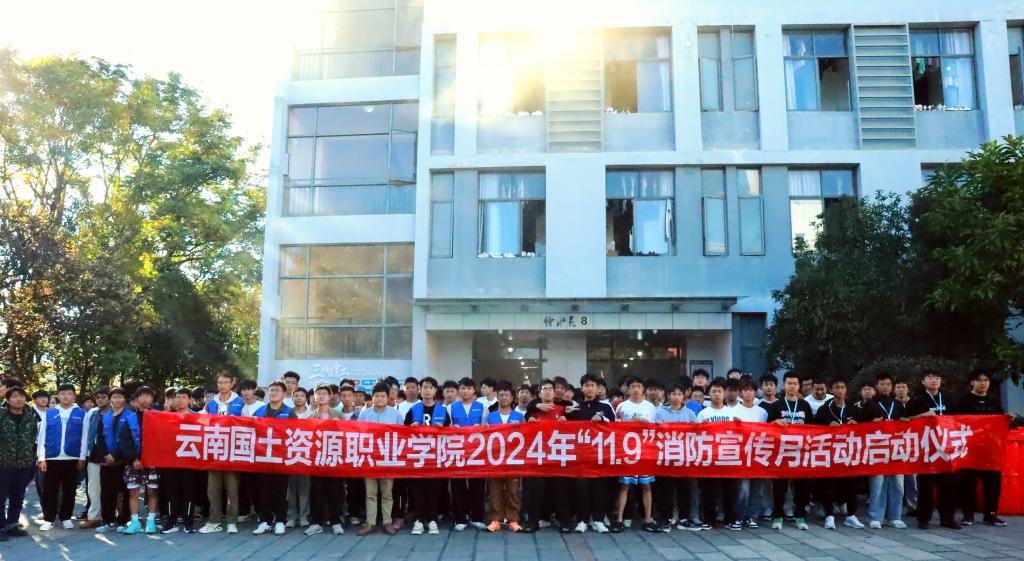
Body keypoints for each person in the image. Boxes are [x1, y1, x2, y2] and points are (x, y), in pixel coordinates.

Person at [906, 370, 958, 529]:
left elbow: (959, 420)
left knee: (948, 486)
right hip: (926, 449)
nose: (934, 380)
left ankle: (947, 518)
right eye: (930, 378)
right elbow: (905, 421)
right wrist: (922, 416)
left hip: (946, 449)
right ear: (923, 381)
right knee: (926, 487)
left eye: (937, 378)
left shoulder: (948, 400)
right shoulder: (917, 400)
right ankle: (923, 518)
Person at [812, 377, 864, 530]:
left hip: (849, 453)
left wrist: (857, 426)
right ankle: (829, 516)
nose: (840, 390)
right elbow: (814, 430)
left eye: (842, 387)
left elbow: (864, 431)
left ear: (846, 390)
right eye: (837, 387)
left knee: (852, 485)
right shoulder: (824, 409)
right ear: (831, 390)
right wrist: (827, 426)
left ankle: (851, 515)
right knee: (829, 485)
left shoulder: (854, 409)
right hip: (830, 453)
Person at [764, 372, 813, 531]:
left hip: (800, 452)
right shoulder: (776, 406)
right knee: (779, 487)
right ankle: (778, 516)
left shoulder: (805, 405)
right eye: (789, 383)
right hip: (782, 452)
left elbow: (813, 429)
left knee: (802, 487)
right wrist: (775, 422)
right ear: (784, 385)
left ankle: (800, 516)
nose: (792, 386)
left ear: (799, 386)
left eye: (795, 383)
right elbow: (767, 428)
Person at [956, 370, 1006, 527]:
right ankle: (968, 515)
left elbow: (1001, 420)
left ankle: (991, 514)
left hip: (990, 450)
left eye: (986, 380)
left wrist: (1008, 419)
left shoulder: (993, 400)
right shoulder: (963, 400)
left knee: (993, 484)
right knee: (968, 484)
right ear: (972, 382)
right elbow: (956, 422)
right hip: (970, 449)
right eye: (979, 380)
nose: (983, 383)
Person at [566, 373, 615, 533]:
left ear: (597, 388)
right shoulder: (575, 409)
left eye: (592, 385)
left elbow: (616, 427)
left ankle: (598, 519)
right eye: (586, 385)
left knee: (599, 488)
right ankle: (582, 520)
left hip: (600, 456)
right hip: (580, 457)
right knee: (581, 488)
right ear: (582, 388)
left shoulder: (605, 407)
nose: (590, 388)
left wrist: (602, 420)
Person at [859, 372, 908, 530]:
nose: (885, 387)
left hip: (896, 450)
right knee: (878, 484)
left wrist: (904, 422)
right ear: (876, 386)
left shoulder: (898, 404)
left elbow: (906, 424)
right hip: (877, 449)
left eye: (888, 384)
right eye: (882, 384)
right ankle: (876, 517)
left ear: (891, 387)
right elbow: (861, 426)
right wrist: (871, 423)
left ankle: (895, 516)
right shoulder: (869, 405)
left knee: (898, 485)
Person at [521, 379, 570, 533]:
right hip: (538, 458)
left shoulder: (564, 409)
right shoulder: (533, 411)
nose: (547, 391)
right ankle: (533, 522)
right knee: (535, 490)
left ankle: (565, 521)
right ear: (539, 393)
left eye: (550, 389)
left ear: (555, 393)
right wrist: (530, 422)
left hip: (558, 457)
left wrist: (567, 422)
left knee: (561, 491)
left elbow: (575, 429)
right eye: (544, 389)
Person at [199, 371, 245, 534]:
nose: (222, 385)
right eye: (219, 382)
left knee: (232, 489)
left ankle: (232, 521)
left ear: (232, 383)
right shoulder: (211, 403)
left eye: (225, 382)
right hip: (214, 450)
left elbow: (248, 424)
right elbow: (201, 422)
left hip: (233, 451)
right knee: (213, 489)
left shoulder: (240, 402)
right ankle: (214, 520)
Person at [36, 383, 87, 532]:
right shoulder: (49, 413)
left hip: (72, 458)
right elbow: (42, 436)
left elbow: (85, 437)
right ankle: (48, 519)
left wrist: (82, 457)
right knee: (49, 491)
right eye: (63, 393)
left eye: (69, 393)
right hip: (52, 458)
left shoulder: (82, 414)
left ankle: (66, 517)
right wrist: (41, 457)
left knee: (69, 490)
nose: (65, 396)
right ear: (58, 396)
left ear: (74, 396)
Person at [612, 375, 659, 533]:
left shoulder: (650, 407)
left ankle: (648, 518)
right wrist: (629, 423)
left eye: (639, 386)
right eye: (633, 386)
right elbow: (616, 429)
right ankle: (619, 519)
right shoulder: (622, 406)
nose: (636, 389)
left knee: (646, 486)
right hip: (628, 452)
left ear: (643, 388)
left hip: (646, 451)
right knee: (624, 485)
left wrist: (646, 424)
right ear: (628, 389)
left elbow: (657, 429)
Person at [405, 376, 449, 535]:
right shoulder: (413, 410)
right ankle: (418, 519)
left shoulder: (443, 411)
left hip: (435, 457)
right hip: (417, 457)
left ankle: (432, 519)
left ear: (435, 391)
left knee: (434, 489)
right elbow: (403, 432)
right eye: (424, 387)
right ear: (420, 390)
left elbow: (451, 434)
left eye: (431, 387)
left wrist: (442, 429)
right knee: (417, 490)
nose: (427, 390)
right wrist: (411, 428)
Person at [252, 380, 297, 536]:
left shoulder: (289, 412)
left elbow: (295, 434)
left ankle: (280, 521)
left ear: (284, 394)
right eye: (271, 390)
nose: (273, 393)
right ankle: (265, 521)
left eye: (277, 390)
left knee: (280, 490)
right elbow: (250, 431)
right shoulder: (259, 411)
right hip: (262, 457)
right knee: (263, 490)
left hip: (281, 459)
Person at [358, 383, 403, 536]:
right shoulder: (365, 414)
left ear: (388, 397)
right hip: (369, 458)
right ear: (372, 397)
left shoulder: (395, 414)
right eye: (377, 396)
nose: (380, 399)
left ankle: (387, 522)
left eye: (383, 396)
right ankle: (370, 523)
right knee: (370, 493)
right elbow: (358, 434)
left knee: (387, 492)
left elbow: (402, 435)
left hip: (388, 458)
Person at [653, 382, 699, 531]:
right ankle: (665, 518)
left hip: (684, 458)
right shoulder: (660, 413)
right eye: (674, 394)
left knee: (684, 489)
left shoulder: (690, 414)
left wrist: (698, 426)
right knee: (665, 490)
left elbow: (697, 435)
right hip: (666, 458)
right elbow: (653, 434)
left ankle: (684, 518)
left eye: (679, 394)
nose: (677, 397)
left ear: (684, 395)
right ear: (668, 395)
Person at [696, 380, 740, 530]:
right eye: (713, 391)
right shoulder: (703, 414)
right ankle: (709, 519)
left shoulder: (731, 413)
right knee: (709, 491)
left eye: (719, 391)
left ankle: (730, 519)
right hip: (710, 457)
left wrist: (740, 425)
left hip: (728, 457)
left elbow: (740, 433)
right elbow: (695, 435)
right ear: (709, 394)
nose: (716, 394)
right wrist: (700, 427)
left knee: (730, 491)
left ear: (724, 393)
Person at [482, 381, 524, 533]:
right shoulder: (490, 417)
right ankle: (495, 519)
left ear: (512, 398)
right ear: (497, 397)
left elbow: (526, 437)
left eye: (507, 395)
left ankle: (513, 519)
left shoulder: (519, 416)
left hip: (513, 460)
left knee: (513, 490)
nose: (504, 397)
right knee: (494, 490)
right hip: (495, 460)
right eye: (501, 395)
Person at [120, 386, 160, 534]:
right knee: (133, 492)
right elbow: (124, 441)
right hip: (134, 463)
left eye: (148, 396)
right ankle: (135, 522)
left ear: (152, 399)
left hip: (153, 462)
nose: (145, 399)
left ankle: (151, 521)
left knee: (152, 492)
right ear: (136, 400)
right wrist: (133, 459)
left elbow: (162, 440)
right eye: (141, 396)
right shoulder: (130, 418)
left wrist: (154, 458)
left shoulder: (158, 417)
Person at [305, 384, 344, 536]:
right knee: (316, 491)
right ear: (314, 397)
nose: (321, 396)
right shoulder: (311, 417)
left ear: (330, 396)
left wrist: (339, 424)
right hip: (316, 460)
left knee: (335, 491)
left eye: (324, 393)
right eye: (318, 393)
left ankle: (335, 522)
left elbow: (347, 434)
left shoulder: (338, 414)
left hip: (334, 459)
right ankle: (316, 523)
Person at [0, 386, 38, 541]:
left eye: (21, 396)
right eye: (15, 396)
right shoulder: (1, 416)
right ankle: (1, 527)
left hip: (23, 465)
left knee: (18, 497)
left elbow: (32, 439)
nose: (19, 399)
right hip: (3, 464)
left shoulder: (30, 417)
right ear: (8, 400)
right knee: (0, 497)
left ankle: (12, 524)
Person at [448, 377, 486, 530]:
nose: (466, 391)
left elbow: (487, 429)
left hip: (477, 452)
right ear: (459, 390)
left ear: (474, 390)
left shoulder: (482, 407)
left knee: (477, 485)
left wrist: (480, 428)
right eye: (463, 388)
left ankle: (477, 517)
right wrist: (453, 429)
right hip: (457, 451)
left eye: (469, 388)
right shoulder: (451, 408)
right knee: (458, 485)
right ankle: (460, 518)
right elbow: (447, 428)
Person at [161, 388, 200, 534]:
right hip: (170, 461)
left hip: (190, 461)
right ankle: (171, 521)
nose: (180, 400)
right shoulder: (166, 416)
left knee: (189, 493)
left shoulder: (197, 417)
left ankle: (189, 523)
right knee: (171, 492)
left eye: (184, 397)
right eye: (177, 397)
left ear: (189, 400)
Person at [731, 378, 767, 528]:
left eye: (751, 390)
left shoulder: (762, 412)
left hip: (758, 454)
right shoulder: (734, 411)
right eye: (745, 390)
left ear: (755, 392)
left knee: (757, 489)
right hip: (741, 455)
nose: (748, 393)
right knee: (743, 489)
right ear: (741, 392)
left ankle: (752, 517)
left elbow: (767, 433)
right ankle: (739, 516)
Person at [95, 388, 131, 532]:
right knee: (106, 491)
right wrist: (105, 455)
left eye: (120, 397)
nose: (117, 400)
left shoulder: (130, 416)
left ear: (125, 399)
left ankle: (122, 520)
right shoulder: (105, 417)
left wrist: (115, 455)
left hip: (122, 461)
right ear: (110, 400)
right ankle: (107, 520)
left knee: (122, 491)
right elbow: (100, 438)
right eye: (114, 397)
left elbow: (128, 440)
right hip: (106, 461)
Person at [80, 387, 110, 529]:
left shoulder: (116, 412)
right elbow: (85, 434)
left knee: (111, 487)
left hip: (112, 454)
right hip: (94, 453)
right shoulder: (92, 413)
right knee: (93, 487)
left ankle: (111, 516)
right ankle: (94, 517)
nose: (100, 400)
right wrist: (83, 455)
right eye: (97, 398)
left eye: (103, 397)